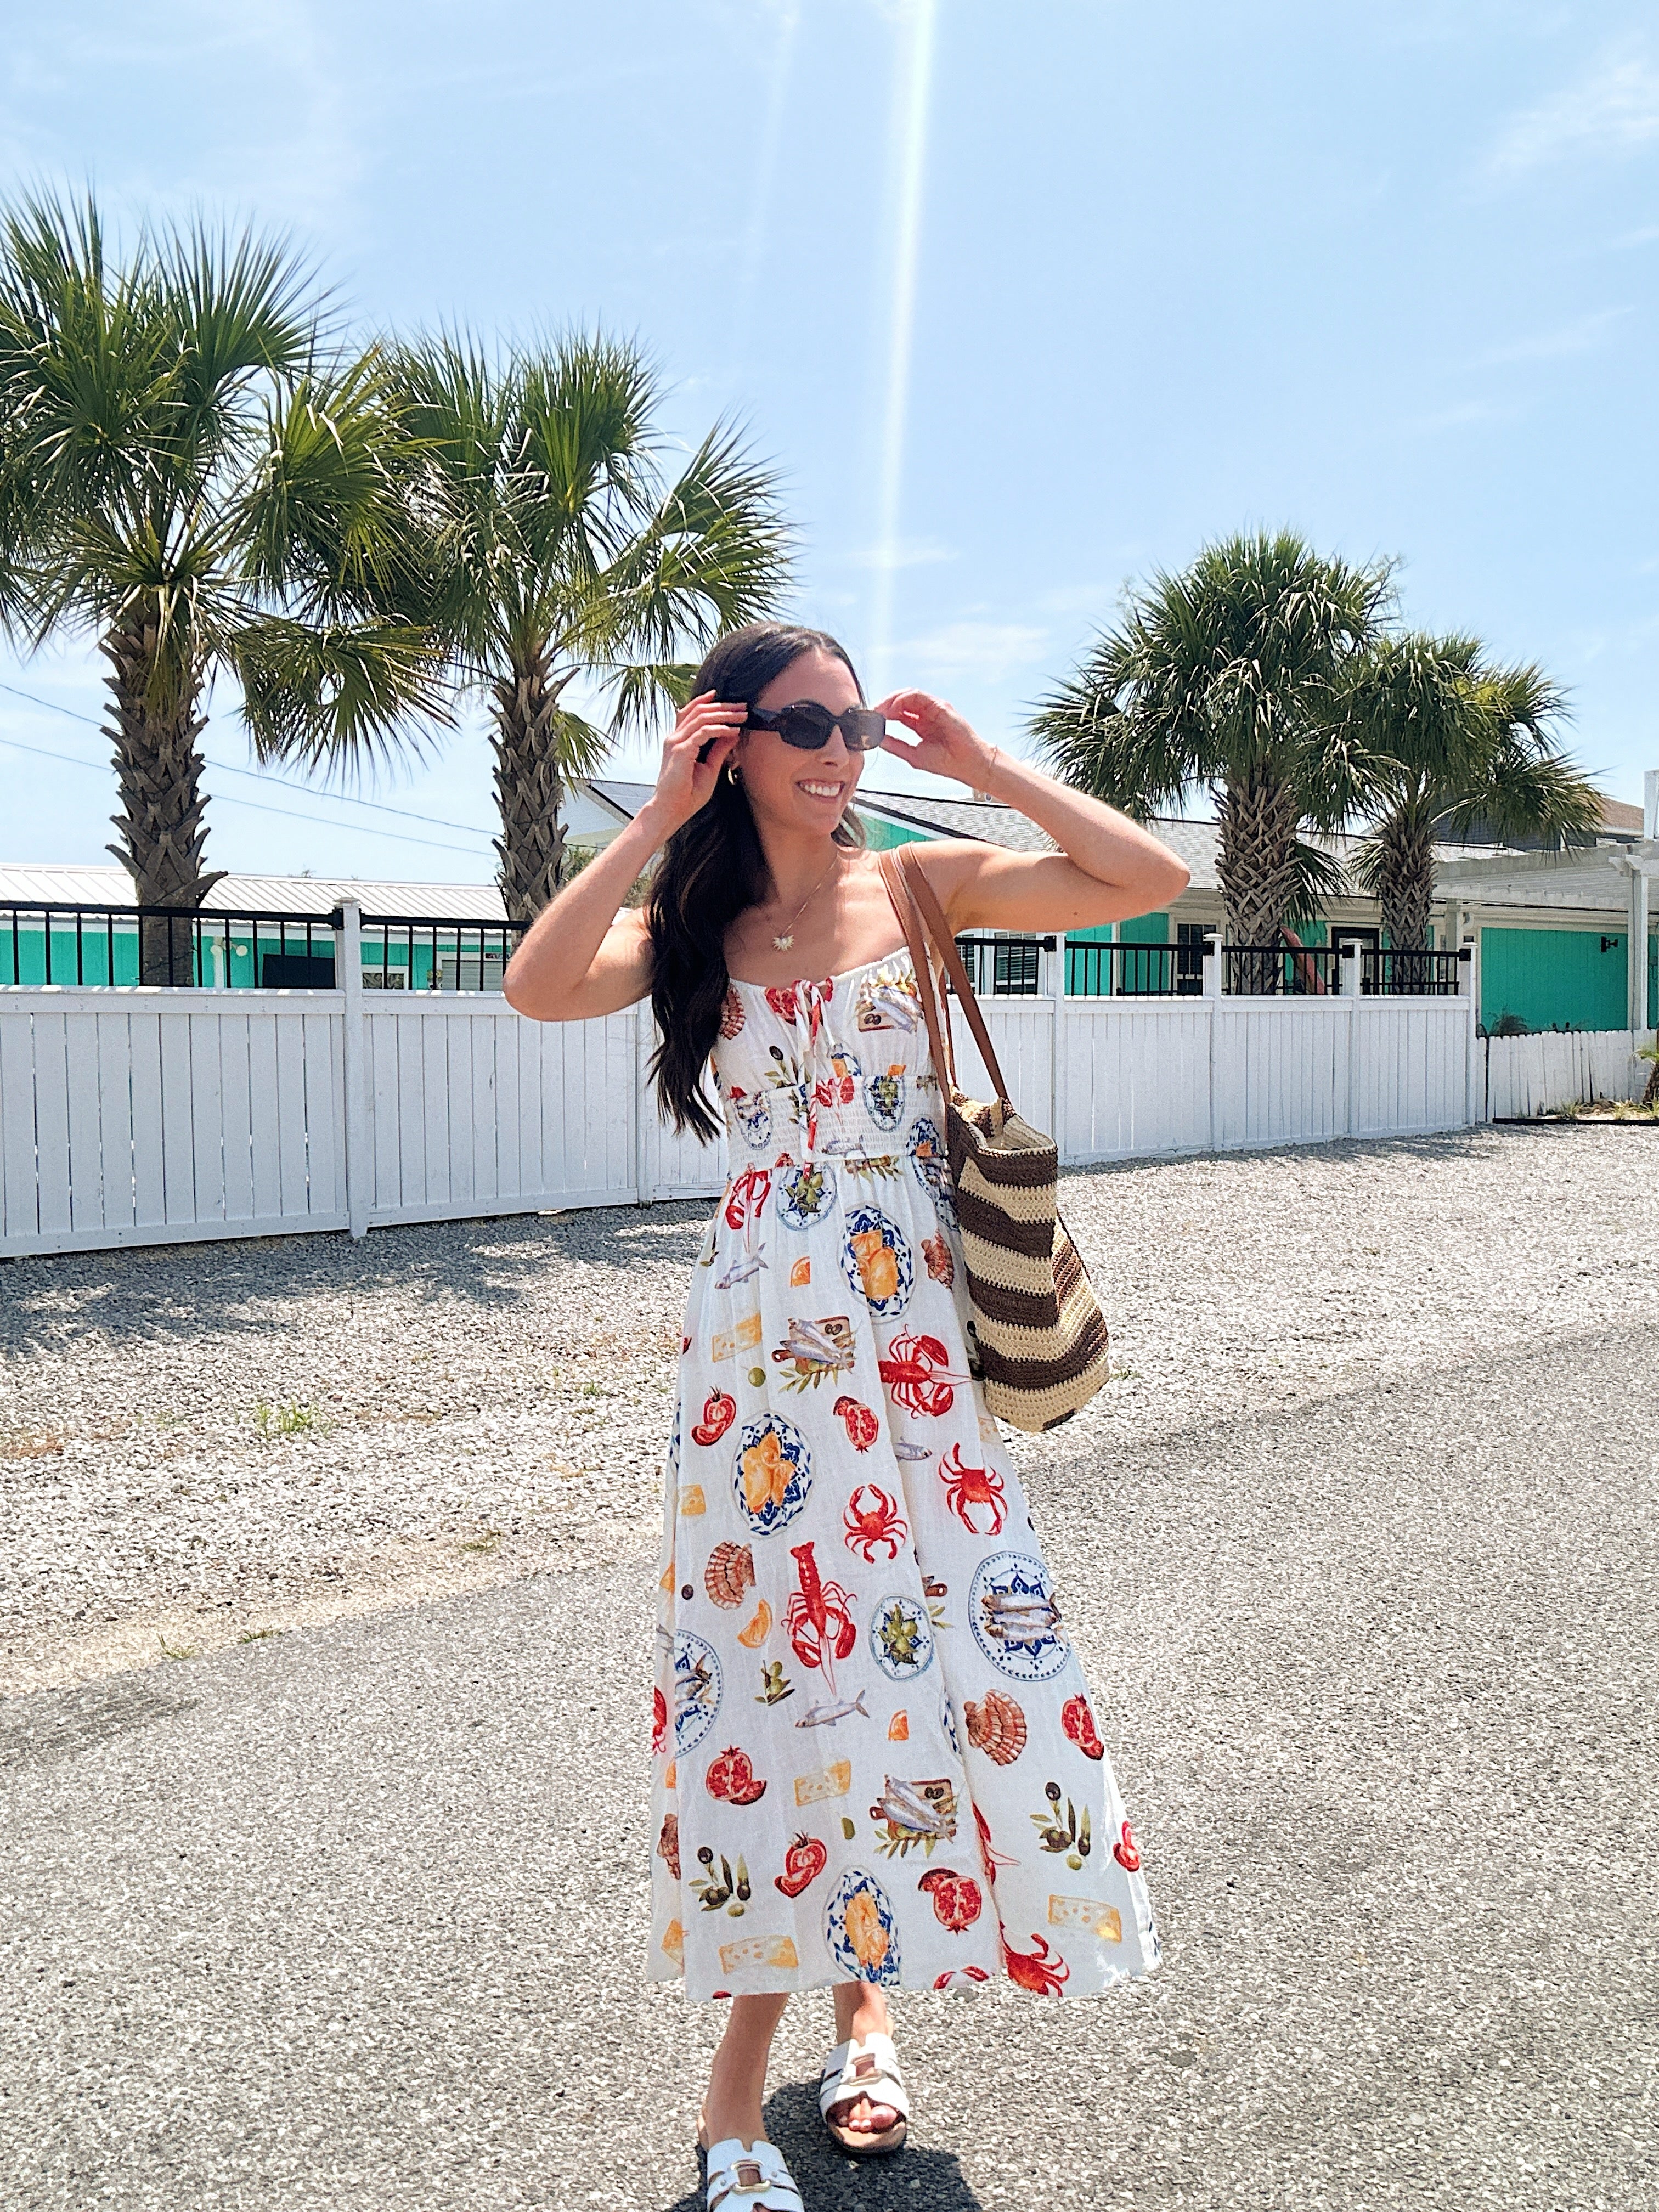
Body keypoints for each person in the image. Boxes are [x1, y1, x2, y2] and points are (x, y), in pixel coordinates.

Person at [504, 622, 1189, 2209]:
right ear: (729, 736)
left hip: (914, 1350)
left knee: (921, 1661)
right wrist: (657, 818)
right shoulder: (697, 922)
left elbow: (1148, 876)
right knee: (779, 1679)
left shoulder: (922, 887)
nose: (838, 751)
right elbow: (538, 986)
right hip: (757, 1358)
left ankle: (863, 2014)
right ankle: (742, 2086)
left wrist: (985, 768)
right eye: (805, 724)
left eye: (855, 724)